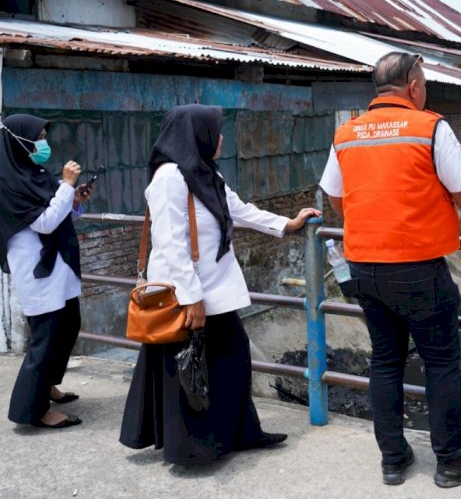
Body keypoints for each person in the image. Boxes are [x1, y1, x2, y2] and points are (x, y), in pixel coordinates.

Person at [319, 52, 461, 488]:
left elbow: (334, 196)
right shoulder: (430, 128)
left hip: (364, 266)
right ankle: (451, 461)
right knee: (441, 362)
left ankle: (393, 459)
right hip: (417, 267)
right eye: (424, 83)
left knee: (386, 361)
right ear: (413, 87)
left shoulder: (346, 133)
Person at [119, 104, 320, 465]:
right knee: (187, 367)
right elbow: (170, 242)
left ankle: (241, 432)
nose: (222, 137)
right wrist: (192, 298)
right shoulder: (169, 179)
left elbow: (238, 210)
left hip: (215, 289)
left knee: (232, 357)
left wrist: (286, 224)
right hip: (187, 293)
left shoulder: (204, 172)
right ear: (197, 133)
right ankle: (192, 449)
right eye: (216, 129)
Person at [0, 114, 94, 429]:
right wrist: (66, 185)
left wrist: (74, 198)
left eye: (43, 135)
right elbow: (44, 222)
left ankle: (48, 385)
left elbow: (58, 211)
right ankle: (34, 410)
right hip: (39, 272)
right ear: (18, 142)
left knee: (69, 325)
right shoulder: (8, 183)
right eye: (37, 137)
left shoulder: (35, 174)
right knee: (45, 339)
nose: (43, 143)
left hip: (60, 267)